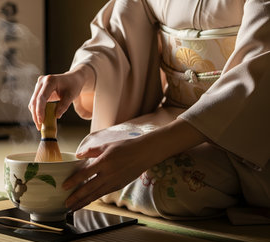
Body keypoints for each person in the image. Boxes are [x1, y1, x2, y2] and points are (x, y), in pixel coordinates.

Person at [28, 0, 270, 223]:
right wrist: (79, 75)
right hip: (173, 111)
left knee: (165, 181)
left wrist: (148, 149)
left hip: (243, 128)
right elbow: (117, 38)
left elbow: (256, 74)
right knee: (94, 154)